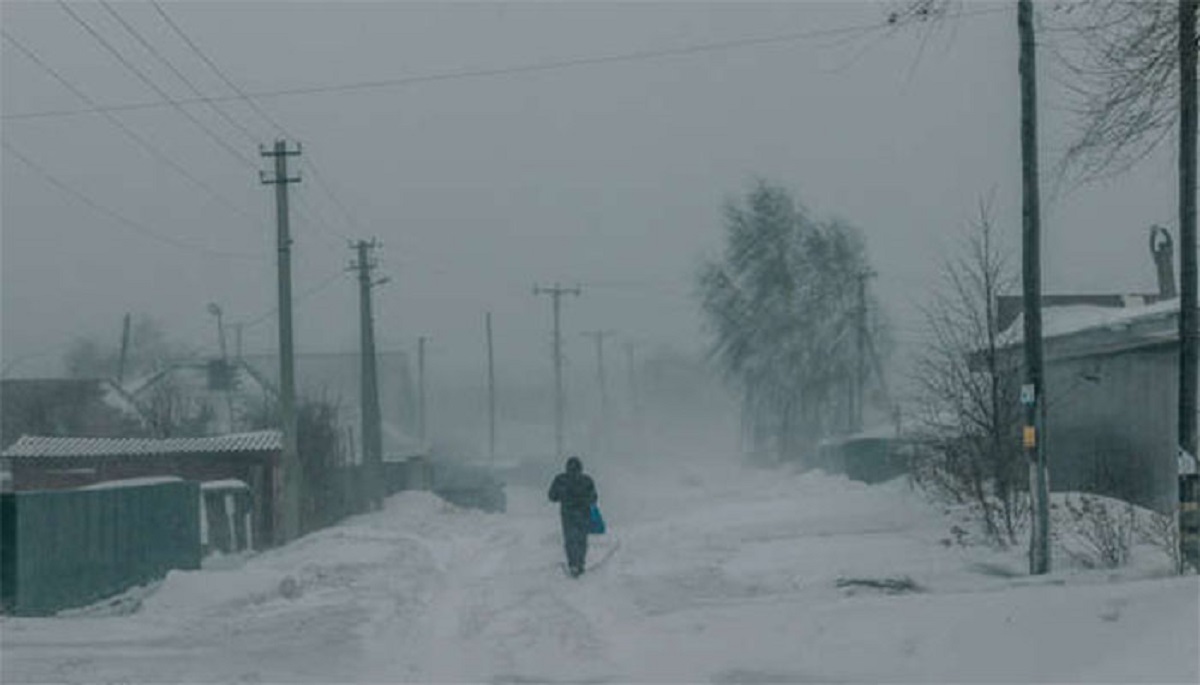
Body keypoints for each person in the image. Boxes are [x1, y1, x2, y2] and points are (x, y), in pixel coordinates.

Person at [548, 456, 598, 577]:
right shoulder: (587, 480)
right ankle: (580, 563)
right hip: (583, 514)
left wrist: (562, 495)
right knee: (581, 540)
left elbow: (551, 496)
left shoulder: (561, 479)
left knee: (570, 540)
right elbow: (594, 498)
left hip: (567, 514)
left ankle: (573, 564)